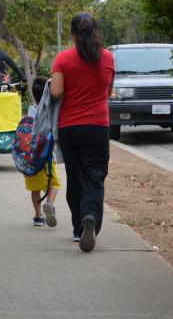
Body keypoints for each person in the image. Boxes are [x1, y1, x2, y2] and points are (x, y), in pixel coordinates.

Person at [50, 13, 115, 252]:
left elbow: (56, 92)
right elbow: (108, 93)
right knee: (95, 176)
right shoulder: (108, 57)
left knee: (75, 177)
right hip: (98, 127)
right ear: (96, 32)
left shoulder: (63, 59)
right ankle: (91, 218)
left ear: (73, 34)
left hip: (70, 128)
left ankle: (79, 228)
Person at [26, 76, 61, 227]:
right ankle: (50, 204)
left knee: (35, 188)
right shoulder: (49, 111)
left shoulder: (30, 110)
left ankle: (38, 216)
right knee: (54, 184)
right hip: (47, 156)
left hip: (31, 158)